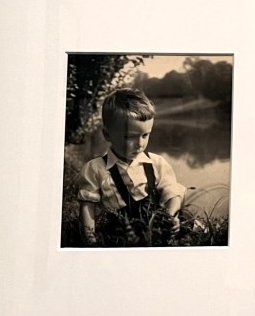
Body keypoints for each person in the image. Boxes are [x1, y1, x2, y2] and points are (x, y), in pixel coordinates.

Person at [76, 88, 185, 246]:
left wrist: (171, 216)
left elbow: (172, 192)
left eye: (145, 135)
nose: (140, 143)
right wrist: (91, 242)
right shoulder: (95, 169)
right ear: (107, 134)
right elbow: (87, 208)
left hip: (156, 231)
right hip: (121, 236)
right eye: (130, 137)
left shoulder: (157, 163)